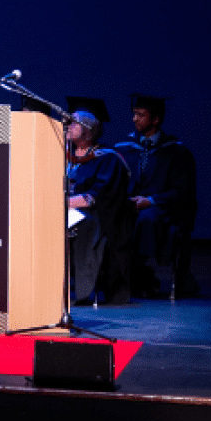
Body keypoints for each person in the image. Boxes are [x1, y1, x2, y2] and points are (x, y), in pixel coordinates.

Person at [114, 93, 198, 297]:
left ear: (156, 119)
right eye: (134, 114)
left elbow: (182, 191)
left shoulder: (177, 152)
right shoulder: (125, 148)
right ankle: (118, 275)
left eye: (141, 115)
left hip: (162, 209)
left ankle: (139, 272)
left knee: (146, 218)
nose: (135, 119)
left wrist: (150, 201)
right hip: (131, 204)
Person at [66, 110, 133, 305]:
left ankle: (84, 292)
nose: (68, 126)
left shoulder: (107, 158)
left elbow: (100, 195)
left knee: (86, 224)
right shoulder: (63, 155)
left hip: (98, 215)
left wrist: (64, 202)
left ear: (88, 130)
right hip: (67, 211)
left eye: (73, 123)